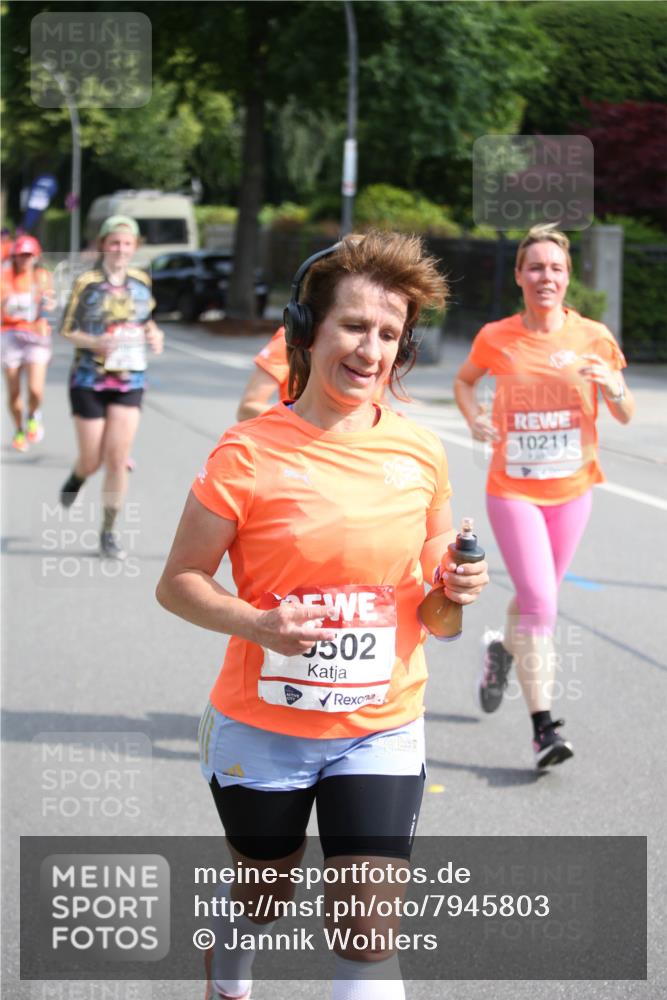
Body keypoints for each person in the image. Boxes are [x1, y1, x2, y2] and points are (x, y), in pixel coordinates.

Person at [156, 231, 489, 1000]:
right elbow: (178, 582)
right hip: (262, 728)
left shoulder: (419, 452)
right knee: (262, 896)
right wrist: (257, 624)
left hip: (381, 725)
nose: (369, 349)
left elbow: (438, 618)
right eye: (353, 326)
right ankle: (229, 971)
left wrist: (455, 592)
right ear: (306, 329)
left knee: (366, 934)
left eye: (387, 334)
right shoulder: (245, 454)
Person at [454, 223, 634, 768]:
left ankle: (501, 653)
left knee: (536, 599)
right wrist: (473, 417)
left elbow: (625, 414)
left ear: (568, 275)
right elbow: (464, 382)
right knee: (541, 604)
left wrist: (613, 385)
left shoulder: (594, 337)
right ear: (518, 276)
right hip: (513, 490)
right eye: (535, 267)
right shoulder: (496, 337)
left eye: (555, 268)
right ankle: (544, 729)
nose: (545, 277)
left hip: (574, 492)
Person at [58, 215, 164, 559]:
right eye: (114, 243)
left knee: (117, 459)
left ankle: (107, 531)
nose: (120, 250)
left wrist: (154, 335)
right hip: (89, 379)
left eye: (127, 244)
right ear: (104, 244)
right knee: (93, 460)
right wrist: (95, 342)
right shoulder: (87, 282)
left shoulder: (140, 280)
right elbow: (67, 329)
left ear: (135, 248)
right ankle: (77, 477)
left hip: (129, 379)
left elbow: (147, 321)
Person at [237, 323, 388, 422]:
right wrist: (310, 420)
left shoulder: (377, 352)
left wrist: (388, 421)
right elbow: (247, 408)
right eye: (353, 327)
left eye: (388, 336)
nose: (371, 354)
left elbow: (378, 401)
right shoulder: (291, 340)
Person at [1, 234, 55, 451]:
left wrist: (48, 303)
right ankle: (18, 429)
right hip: (10, 334)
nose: (25, 260)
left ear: (36, 257)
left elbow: (49, 300)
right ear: (14, 257)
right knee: (14, 394)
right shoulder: (5, 276)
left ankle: (33, 414)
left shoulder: (41, 276)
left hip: (36, 335)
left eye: (29, 256)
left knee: (35, 390)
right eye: (21, 256)